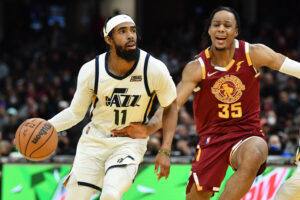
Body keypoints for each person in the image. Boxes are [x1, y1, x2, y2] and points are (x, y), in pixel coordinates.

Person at [112, 6, 300, 200]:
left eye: (227, 25)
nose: (221, 29)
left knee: (254, 153)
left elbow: (285, 63)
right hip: (213, 139)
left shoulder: (253, 53)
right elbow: (173, 105)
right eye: (216, 25)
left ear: (236, 32)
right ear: (209, 30)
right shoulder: (197, 67)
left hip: (247, 133)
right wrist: (151, 130)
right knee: (196, 196)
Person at [48, 14, 177, 200]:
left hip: (128, 143)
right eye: (122, 32)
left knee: (110, 194)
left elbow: (170, 106)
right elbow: (75, 113)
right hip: (94, 139)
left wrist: (163, 147)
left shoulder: (154, 68)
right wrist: (48, 127)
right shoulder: (91, 70)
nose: (130, 36)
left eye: (132, 30)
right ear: (109, 39)